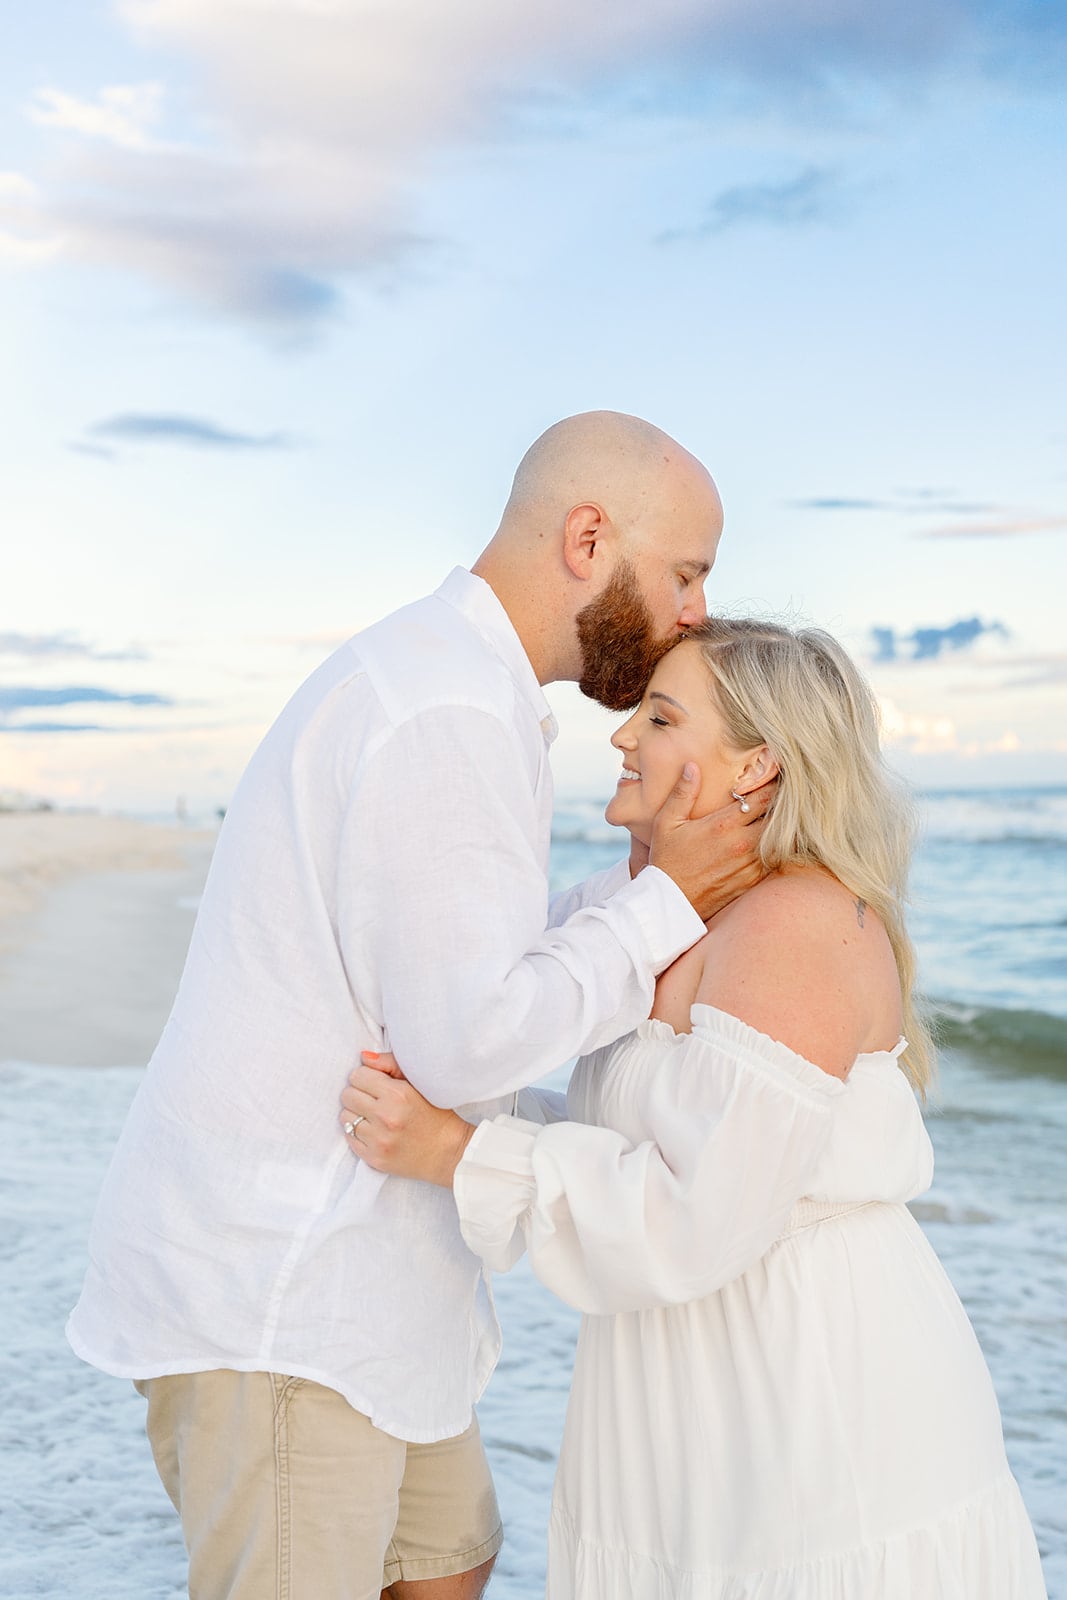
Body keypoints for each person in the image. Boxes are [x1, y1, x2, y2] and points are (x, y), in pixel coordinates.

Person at [67, 412, 777, 1600]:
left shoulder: (455, 685)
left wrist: (663, 882)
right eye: (687, 573)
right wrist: (666, 908)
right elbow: (464, 1043)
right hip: (286, 1298)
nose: (697, 611)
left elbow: (466, 956)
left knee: (451, 1561)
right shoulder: (443, 709)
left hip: (369, 1298)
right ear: (589, 538)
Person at [342, 618, 1048, 1599]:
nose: (623, 737)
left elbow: (694, 1213)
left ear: (754, 767)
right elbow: (630, 1137)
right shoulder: (676, 914)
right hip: (690, 1385)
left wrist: (462, 1154)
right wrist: (461, 1118)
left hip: (807, 1398)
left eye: (660, 717)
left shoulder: (794, 922)